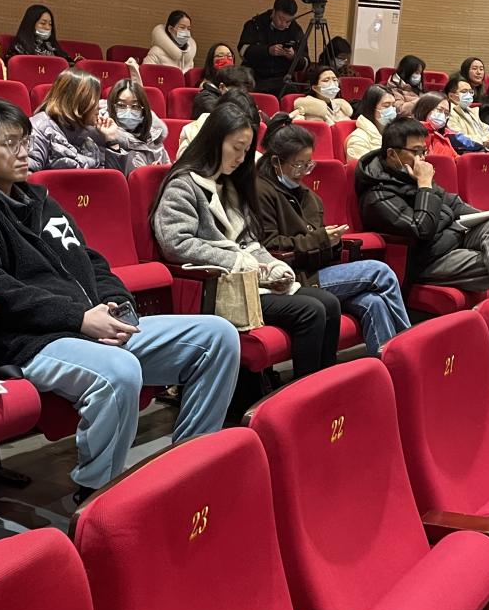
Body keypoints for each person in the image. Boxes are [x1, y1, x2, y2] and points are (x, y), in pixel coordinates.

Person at [0, 96, 238, 500]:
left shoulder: (38, 199)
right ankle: (97, 495)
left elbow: (89, 259)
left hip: (90, 323)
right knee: (119, 371)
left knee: (217, 337)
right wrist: (79, 318)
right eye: (10, 143)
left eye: (25, 140)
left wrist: (118, 306)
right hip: (29, 341)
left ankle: (190, 465)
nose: (23, 151)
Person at [153, 100, 342, 379]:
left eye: (246, 150)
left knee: (329, 303)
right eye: (236, 148)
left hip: (249, 280)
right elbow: (176, 243)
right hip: (218, 286)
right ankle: (304, 392)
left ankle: (326, 385)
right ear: (214, 141)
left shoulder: (230, 184)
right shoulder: (183, 184)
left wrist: (273, 266)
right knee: (310, 310)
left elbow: (250, 240)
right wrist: (235, 261)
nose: (242, 158)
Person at [249, 116, 410, 355]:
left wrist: (332, 242)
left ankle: (390, 364)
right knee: (381, 271)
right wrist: (321, 239)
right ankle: (410, 347)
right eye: (298, 165)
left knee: (373, 302)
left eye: (308, 165)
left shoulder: (309, 197)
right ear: (276, 162)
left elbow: (319, 243)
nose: (303, 172)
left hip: (318, 268)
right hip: (296, 277)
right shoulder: (262, 191)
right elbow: (271, 246)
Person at [360, 115, 489, 292]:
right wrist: (425, 185)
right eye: (415, 152)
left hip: (451, 241)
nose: (421, 159)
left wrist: (485, 217)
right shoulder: (378, 194)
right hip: (426, 260)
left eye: (424, 151)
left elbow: (453, 204)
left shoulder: (410, 176)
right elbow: (422, 229)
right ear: (392, 154)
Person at [27, 69, 124, 171]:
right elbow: (26, 176)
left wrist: (111, 140)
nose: (99, 106)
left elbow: (111, 178)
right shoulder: (39, 129)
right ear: (77, 100)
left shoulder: (90, 136)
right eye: (94, 99)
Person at [238, 0, 304, 92]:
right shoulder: (255, 24)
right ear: (274, 11)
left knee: (292, 91)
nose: (283, 24)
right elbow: (243, 51)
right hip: (255, 76)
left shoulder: (296, 30)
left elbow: (304, 62)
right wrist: (267, 51)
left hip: (282, 79)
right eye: (280, 18)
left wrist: (293, 56)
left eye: (288, 21)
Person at [180, 68, 256, 150]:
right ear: (222, 87)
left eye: (246, 93)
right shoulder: (205, 98)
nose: (242, 97)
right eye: (238, 92)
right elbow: (224, 118)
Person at [104, 78, 169, 172]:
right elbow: (112, 176)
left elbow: (169, 172)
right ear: (111, 107)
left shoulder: (154, 138)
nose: (128, 111)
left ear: (143, 110)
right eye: (121, 105)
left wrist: (159, 173)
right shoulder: (105, 135)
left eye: (135, 106)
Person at [443, 74, 489, 151]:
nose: (469, 95)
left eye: (470, 92)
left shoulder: (471, 111)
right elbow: (457, 138)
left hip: (480, 151)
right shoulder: (448, 112)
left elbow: (487, 129)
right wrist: (483, 140)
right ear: (451, 96)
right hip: (464, 153)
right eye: (464, 91)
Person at [347, 84, 398, 162]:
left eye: (393, 105)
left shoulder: (395, 134)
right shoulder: (358, 140)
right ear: (371, 108)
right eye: (386, 106)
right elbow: (362, 169)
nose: (392, 110)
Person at [5, 4, 73, 62]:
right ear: (31, 24)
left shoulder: (53, 46)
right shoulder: (18, 48)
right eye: (43, 23)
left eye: (50, 24)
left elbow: (69, 66)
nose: (47, 27)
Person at [412, 93, 458, 160]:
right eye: (439, 110)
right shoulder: (412, 133)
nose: (443, 115)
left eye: (446, 113)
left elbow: (456, 158)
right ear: (425, 108)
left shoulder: (443, 138)